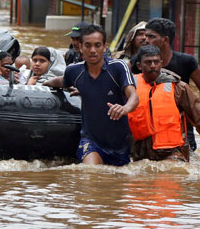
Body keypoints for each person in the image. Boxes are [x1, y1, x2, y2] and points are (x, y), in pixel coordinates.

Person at [44, 24, 138, 166]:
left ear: (104, 47)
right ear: (81, 47)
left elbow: (133, 97)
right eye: (88, 45)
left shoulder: (118, 67)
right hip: (91, 142)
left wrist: (125, 108)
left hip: (120, 144)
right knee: (90, 174)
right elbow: (61, 81)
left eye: (97, 45)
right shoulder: (74, 71)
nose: (92, 50)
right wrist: (42, 84)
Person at [128, 45, 200, 162]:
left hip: (172, 151)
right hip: (139, 151)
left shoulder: (178, 87)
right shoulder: (130, 86)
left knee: (174, 170)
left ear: (161, 63)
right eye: (148, 62)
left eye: (156, 62)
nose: (153, 65)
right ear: (139, 66)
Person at [132, 18, 200, 152]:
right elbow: (121, 82)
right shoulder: (139, 61)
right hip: (150, 129)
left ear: (165, 40)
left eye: (151, 36)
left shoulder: (186, 62)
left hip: (182, 127)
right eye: (145, 36)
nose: (146, 40)